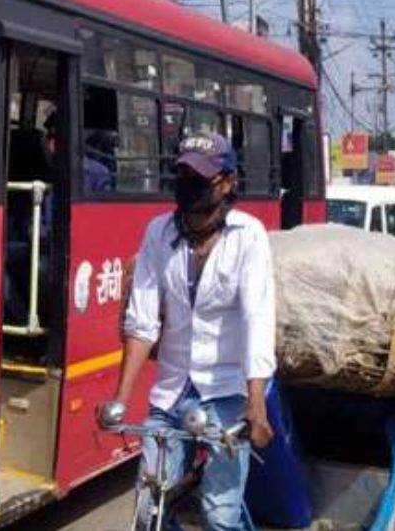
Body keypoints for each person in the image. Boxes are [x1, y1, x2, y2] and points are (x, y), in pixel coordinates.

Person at [105, 132, 276, 531]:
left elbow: (257, 317)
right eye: (184, 177)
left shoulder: (248, 236)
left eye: (201, 179)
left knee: (219, 517)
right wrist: (119, 400)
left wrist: (256, 401)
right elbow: (143, 319)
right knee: (150, 508)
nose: (190, 187)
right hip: (171, 390)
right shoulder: (158, 233)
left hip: (227, 391)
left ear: (227, 182)